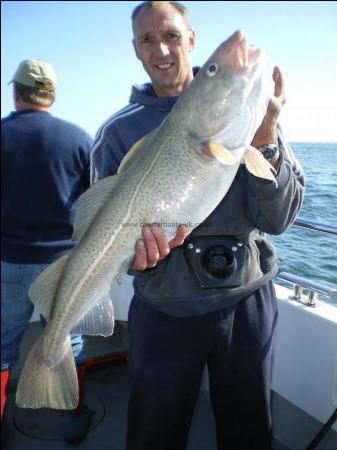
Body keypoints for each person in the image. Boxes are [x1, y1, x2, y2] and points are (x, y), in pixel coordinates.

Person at [91, 2, 305, 449]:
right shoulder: (115, 134)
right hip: (164, 312)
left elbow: (279, 218)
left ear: (191, 39)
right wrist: (137, 258)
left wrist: (265, 142)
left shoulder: (250, 116)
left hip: (247, 302)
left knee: (250, 434)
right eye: (148, 39)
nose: (162, 49)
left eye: (171, 35)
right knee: (153, 436)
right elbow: (107, 235)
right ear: (136, 50)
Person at [1, 59, 93, 445]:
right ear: (51, 95)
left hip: (6, 259)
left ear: (16, 92)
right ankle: (72, 419)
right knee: (70, 342)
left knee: (2, 347)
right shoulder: (78, 139)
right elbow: (94, 202)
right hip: (62, 265)